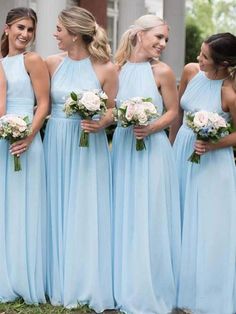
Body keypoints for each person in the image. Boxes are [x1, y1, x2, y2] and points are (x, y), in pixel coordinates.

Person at [43, 6, 118, 311]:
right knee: (57, 202)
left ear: (74, 35)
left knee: (86, 205)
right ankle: (56, 278)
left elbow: (113, 109)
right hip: (57, 140)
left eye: (59, 29)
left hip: (89, 145)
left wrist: (102, 122)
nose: (55, 34)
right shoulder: (51, 64)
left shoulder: (106, 68)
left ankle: (84, 280)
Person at [112, 15, 181, 314]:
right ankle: (122, 283)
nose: (163, 44)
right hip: (124, 148)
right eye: (159, 37)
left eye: (166, 39)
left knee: (149, 213)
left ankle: (150, 285)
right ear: (140, 35)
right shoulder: (117, 69)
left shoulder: (162, 71)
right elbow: (110, 108)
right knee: (124, 209)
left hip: (153, 150)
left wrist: (152, 128)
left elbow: (173, 112)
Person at [169, 33, 236, 314]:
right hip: (181, 152)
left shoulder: (230, 92)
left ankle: (204, 294)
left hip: (213, 161)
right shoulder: (189, 72)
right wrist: (170, 147)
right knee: (177, 218)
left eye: (205, 57)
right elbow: (176, 114)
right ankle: (172, 286)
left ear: (223, 63)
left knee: (207, 227)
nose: (199, 59)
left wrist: (213, 144)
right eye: (200, 53)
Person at [0, 7, 49, 304]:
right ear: (7, 28)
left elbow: (43, 104)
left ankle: (25, 275)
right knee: (5, 205)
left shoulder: (32, 60)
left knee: (25, 205)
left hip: (27, 140)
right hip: (2, 138)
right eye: (20, 27)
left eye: (30, 30)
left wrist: (29, 136)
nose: (25, 35)